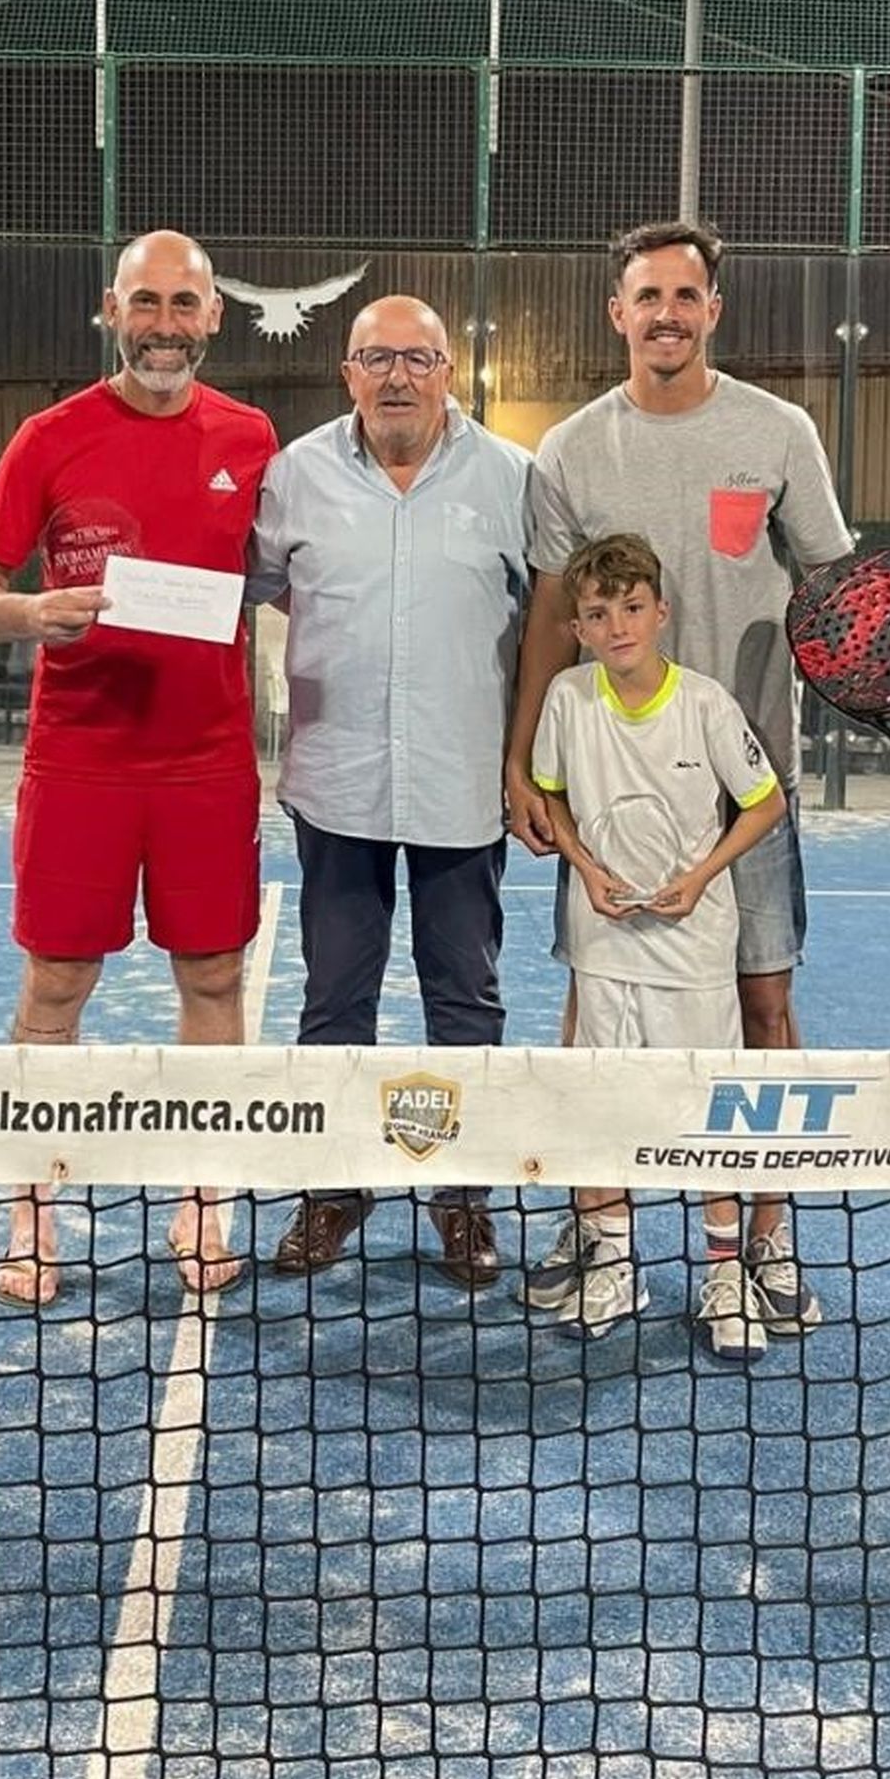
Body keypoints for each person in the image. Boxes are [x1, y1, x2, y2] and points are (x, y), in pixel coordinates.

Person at [505, 219, 890, 1345]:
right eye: (644, 296)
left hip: (745, 788)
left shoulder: (777, 432)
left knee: (763, 1007)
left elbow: (843, 599)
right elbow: (547, 626)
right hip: (610, 796)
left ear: (712, 310)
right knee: (593, 1016)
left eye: (684, 295)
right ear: (615, 314)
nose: (664, 313)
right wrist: (523, 762)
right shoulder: (568, 451)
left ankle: (763, 1235)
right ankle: (598, 1225)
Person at [0, 228, 276, 1305]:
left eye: (185, 305)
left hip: (208, 766)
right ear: (110, 308)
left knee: (214, 983)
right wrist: (31, 611)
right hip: (78, 766)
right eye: (148, 303)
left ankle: (203, 1205)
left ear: (213, 318)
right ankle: (34, 1220)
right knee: (54, 990)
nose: (165, 325)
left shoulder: (254, 436)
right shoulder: (48, 438)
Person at [249, 293, 532, 1287]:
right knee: (333, 1005)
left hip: (464, 789)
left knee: (467, 1006)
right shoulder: (292, 475)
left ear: (450, 371)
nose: (397, 376)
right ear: (348, 373)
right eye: (377, 357)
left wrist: (532, 763)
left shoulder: (514, 479)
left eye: (418, 358)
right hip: (336, 790)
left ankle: (463, 1200)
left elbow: (546, 631)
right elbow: (234, 594)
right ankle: (334, 1190)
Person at [523, 533, 789, 1352]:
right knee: (602, 1102)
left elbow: (764, 803)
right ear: (578, 627)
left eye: (632, 608)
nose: (618, 626)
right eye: (598, 614)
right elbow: (551, 796)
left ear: (661, 613)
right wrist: (583, 868)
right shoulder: (567, 699)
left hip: (693, 951)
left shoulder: (705, 703)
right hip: (603, 944)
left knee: (705, 1112)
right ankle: (613, 1262)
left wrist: (702, 875)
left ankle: (721, 1274)